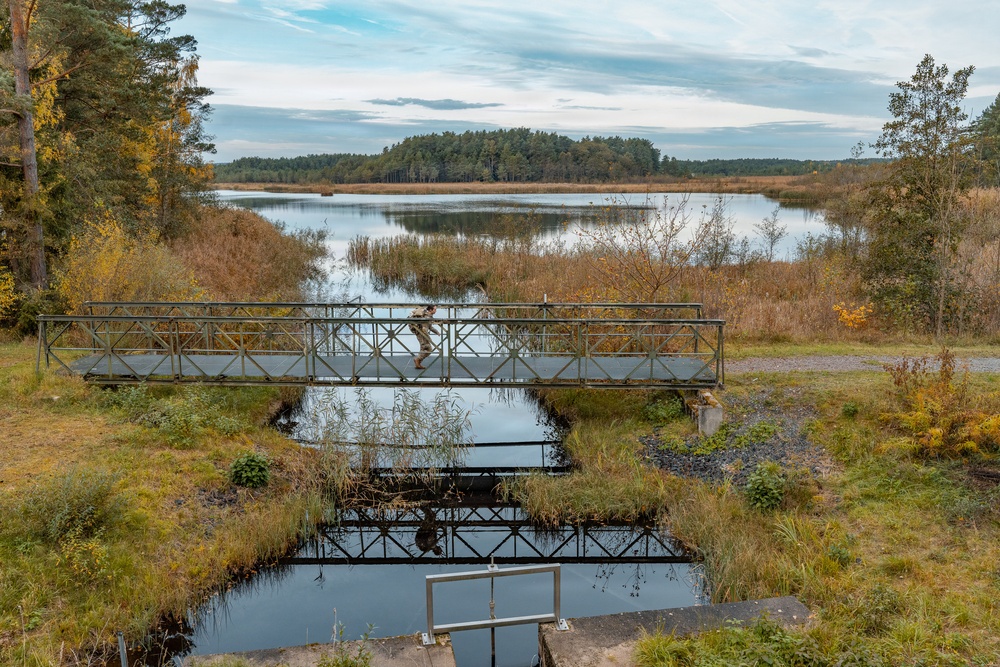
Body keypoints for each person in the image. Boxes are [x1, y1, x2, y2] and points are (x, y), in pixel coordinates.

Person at [408, 304, 439, 369]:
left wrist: (436, 332)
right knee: (428, 348)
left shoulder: (429, 316)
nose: (436, 311)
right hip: (421, 334)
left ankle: (418, 363)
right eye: (435, 309)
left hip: (422, 334)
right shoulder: (426, 317)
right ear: (430, 310)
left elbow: (430, 327)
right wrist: (429, 339)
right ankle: (417, 360)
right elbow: (424, 329)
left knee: (424, 348)